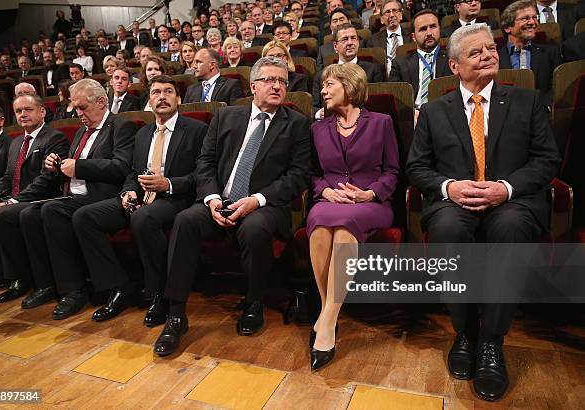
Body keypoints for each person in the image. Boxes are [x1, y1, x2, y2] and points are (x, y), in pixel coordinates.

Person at [405, 24, 560, 401]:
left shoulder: (527, 100)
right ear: (455, 65)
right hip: (455, 201)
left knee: (509, 227)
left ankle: (491, 339)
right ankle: (465, 331)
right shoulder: (433, 110)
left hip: (512, 201)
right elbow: (417, 167)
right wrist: (448, 188)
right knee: (445, 229)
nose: (489, 55)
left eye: (491, 48)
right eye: (476, 52)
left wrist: (505, 188)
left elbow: (547, 160)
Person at [153, 57, 311, 357]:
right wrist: (211, 198)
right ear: (253, 86)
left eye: (282, 81)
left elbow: (298, 175)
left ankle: (253, 303)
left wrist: (257, 199)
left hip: (264, 204)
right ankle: (175, 314)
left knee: (254, 228)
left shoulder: (297, 123)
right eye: (269, 80)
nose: (277, 86)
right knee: (185, 220)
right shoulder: (226, 117)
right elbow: (206, 162)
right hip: (220, 200)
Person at [73, 75, 208, 324]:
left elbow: (202, 174)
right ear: (150, 100)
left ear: (179, 99)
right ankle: (118, 286)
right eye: (156, 92)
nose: (162, 97)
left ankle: (159, 293)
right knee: (85, 216)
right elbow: (133, 172)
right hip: (142, 196)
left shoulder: (197, 129)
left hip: (175, 198)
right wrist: (128, 191)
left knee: (143, 218)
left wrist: (168, 184)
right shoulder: (143, 133)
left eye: (168, 92)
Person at [17, 79, 137, 315]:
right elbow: (72, 167)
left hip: (106, 196)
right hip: (73, 196)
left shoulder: (121, 126)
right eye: (76, 108)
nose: (79, 114)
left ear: (102, 102)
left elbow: (121, 168)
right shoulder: (83, 130)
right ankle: (49, 284)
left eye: (83, 107)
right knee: (29, 214)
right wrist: (56, 166)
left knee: (54, 211)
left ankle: (81, 289)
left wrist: (79, 167)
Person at [307, 63, 399, 370]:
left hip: (370, 202)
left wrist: (368, 194)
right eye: (322, 86)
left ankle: (327, 321)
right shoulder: (317, 128)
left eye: (329, 85)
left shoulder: (381, 122)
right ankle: (328, 313)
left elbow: (392, 171)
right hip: (331, 199)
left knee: (346, 225)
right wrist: (327, 192)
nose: (323, 91)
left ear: (349, 86)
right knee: (320, 223)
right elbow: (315, 175)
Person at [0, 95, 69, 301]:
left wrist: (10, 202)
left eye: (28, 109)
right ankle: (13, 277)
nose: (23, 114)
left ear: (42, 112)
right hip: (17, 199)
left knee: (2, 215)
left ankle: (28, 279)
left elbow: (46, 180)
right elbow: (8, 177)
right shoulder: (17, 142)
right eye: (18, 111)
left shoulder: (54, 138)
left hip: (42, 198)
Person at [498, 0, 560, 108]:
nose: (532, 22)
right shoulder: (495, 58)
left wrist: (542, 108)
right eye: (525, 18)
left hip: (541, 114)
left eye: (535, 17)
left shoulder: (550, 53)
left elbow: (556, 87)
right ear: (507, 28)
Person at [313, 24, 384, 115]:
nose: (350, 43)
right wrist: (320, 113)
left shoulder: (374, 70)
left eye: (353, 38)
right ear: (335, 46)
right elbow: (314, 107)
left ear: (358, 42)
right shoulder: (321, 75)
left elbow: (378, 104)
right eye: (345, 39)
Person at [389, 9, 452, 110]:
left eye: (433, 27)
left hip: (445, 113)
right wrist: (413, 113)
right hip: (414, 115)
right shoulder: (400, 64)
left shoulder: (453, 59)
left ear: (439, 29)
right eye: (423, 29)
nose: (429, 33)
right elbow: (395, 98)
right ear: (413, 37)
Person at [366, 0, 413, 74]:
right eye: (387, 12)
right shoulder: (373, 40)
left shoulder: (412, 35)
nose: (391, 15)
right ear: (382, 19)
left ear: (400, 15)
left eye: (395, 11)